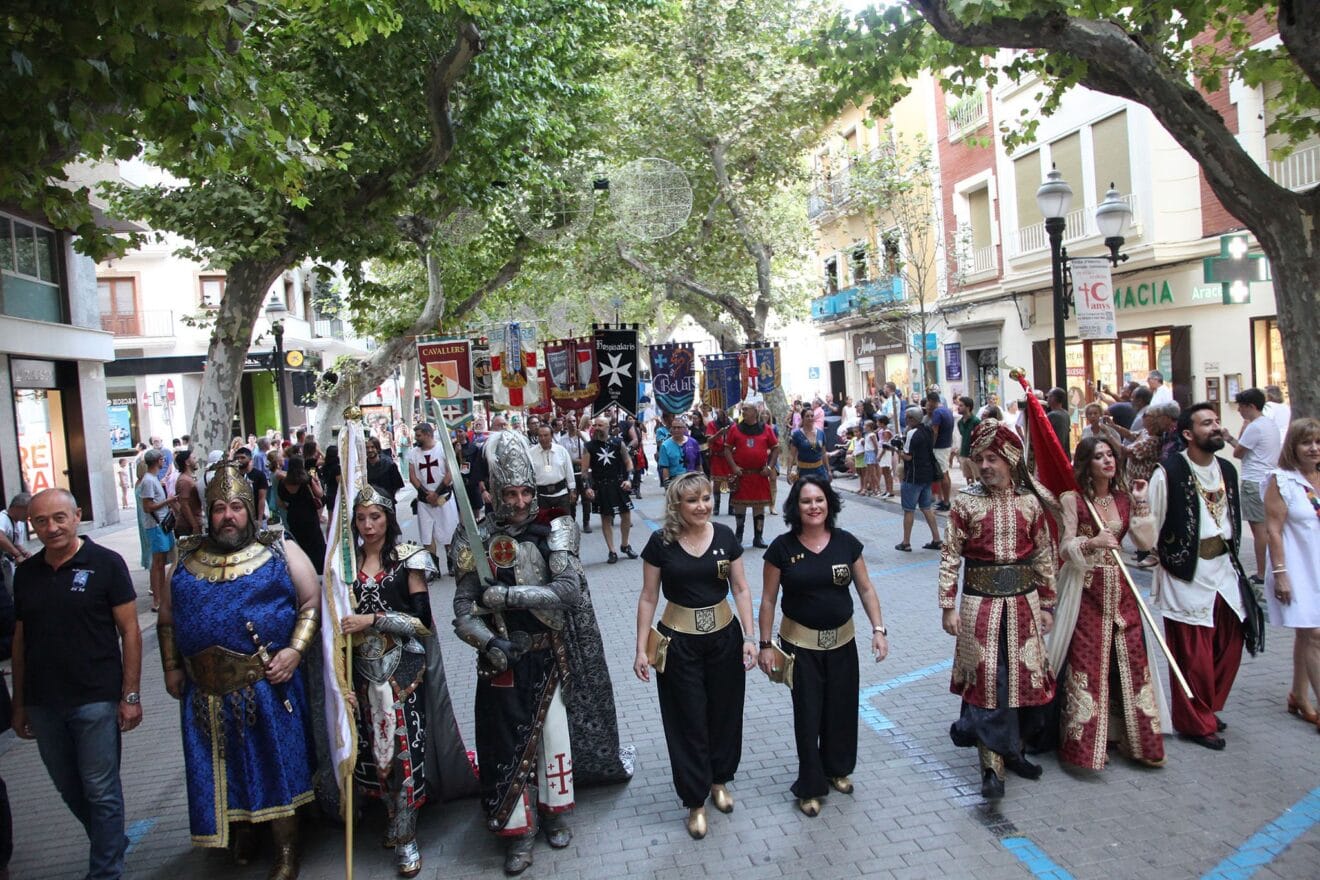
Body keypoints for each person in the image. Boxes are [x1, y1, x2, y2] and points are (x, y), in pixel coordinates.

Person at [451, 433, 626, 874]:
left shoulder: (555, 528)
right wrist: (489, 642)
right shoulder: (475, 536)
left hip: (548, 655)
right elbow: (462, 606)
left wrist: (507, 598)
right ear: (493, 491)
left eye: (526, 491)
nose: (518, 500)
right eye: (509, 492)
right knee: (506, 744)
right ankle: (518, 832)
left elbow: (566, 592)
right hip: (501, 659)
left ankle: (553, 815)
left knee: (552, 742)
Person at [157, 458, 321, 877]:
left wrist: (294, 652)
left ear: (249, 509)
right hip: (204, 691)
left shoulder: (278, 547)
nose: (227, 516)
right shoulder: (187, 557)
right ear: (208, 514)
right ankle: (240, 831)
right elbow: (167, 621)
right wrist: (171, 667)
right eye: (218, 508)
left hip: (264, 683)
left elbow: (310, 602)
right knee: (220, 767)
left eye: (235, 506)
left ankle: (287, 850)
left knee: (275, 766)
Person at [339, 485, 477, 876]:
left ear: (389, 519)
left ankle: (406, 834)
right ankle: (390, 818)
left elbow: (422, 623)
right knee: (371, 756)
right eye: (362, 518)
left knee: (403, 754)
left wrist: (373, 619)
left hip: (403, 673)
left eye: (376, 517)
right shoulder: (345, 567)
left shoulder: (408, 559)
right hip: (361, 677)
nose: (368, 526)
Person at [11, 488, 142, 880]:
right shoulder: (26, 574)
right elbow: (21, 642)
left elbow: (131, 631)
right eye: (40, 521)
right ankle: (111, 840)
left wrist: (130, 695)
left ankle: (105, 871)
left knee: (100, 789)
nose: (51, 528)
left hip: (96, 697)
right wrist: (19, 704)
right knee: (70, 788)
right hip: (44, 701)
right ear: (30, 525)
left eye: (59, 518)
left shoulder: (106, 564)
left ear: (77, 516)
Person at [938, 420, 1057, 798]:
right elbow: (950, 556)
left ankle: (1015, 750)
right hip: (979, 606)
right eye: (980, 459)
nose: (986, 466)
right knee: (988, 683)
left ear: (1010, 460)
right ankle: (991, 766)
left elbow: (1043, 555)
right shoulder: (965, 502)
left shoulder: (1028, 502)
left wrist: (1048, 603)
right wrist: (947, 605)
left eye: (994, 458)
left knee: (1023, 680)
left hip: (1024, 604)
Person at [635, 473, 756, 839]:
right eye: (692, 500)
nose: (702, 505)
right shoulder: (661, 542)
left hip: (724, 639)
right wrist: (641, 648)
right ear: (677, 505)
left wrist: (750, 637)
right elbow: (648, 597)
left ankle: (720, 780)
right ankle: (695, 801)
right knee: (686, 720)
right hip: (678, 644)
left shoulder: (725, 536)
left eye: (705, 498)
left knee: (724, 712)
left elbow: (741, 587)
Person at [758, 476, 888, 816]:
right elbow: (769, 600)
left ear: (829, 503)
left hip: (843, 644)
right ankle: (810, 786)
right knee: (809, 715)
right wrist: (765, 644)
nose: (814, 506)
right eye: (806, 501)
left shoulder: (847, 543)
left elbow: (866, 589)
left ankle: (837, 769)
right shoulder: (782, 549)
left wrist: (878, 629)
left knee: (841, 709)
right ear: (795, 508)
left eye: (819, 500)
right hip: (800, 648)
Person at [1047, 436, 1167, 769]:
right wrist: (1092, 541)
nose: (1107, 461)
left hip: (1122, 589)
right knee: (1088, 663)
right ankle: (1084, 748)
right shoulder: (1073, 500)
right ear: (1087, 464)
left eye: (1110, 455)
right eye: (1099, 457)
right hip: (1086, 588)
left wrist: (1142, 502)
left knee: (1131, 663)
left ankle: (1135, 741)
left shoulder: (1125, 499)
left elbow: (1146, 542)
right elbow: (1065, 547)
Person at [1148, 404, 1262, 750]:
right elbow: (1149, 525)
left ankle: (1207, 707)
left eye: (1216, 422)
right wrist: (1160, 556)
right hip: (1186, 573)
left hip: (1224, 569)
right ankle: (1195, 722)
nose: (1216, 428)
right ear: (1188, 434)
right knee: (1192, 656)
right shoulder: (1167, 472)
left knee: (1230, 643)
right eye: (1207, 423)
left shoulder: (1227, 469)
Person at [1263, 417, 1320, 730]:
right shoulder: (1281, 479)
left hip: (1318, 565)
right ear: (1293, 446)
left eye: (1318, 442)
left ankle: (1299, 695)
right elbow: (1273, 529)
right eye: (1306, 442)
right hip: (1296, 567)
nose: (1313, 449)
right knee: (1315, 634)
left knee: (1305, 634)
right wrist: (1281, 573)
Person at [1224, 388, 1281, 584]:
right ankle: (1273, 567)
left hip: (1253, 481)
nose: (1239, 410)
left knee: (1259, 531)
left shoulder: (1254, 427)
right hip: (1268, 480)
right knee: (1270, 528)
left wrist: (1230, 437)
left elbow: (1238, 452)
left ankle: (1261, 572)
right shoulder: (1269, 424)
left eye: (1241, 406)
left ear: (1251, 406)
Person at [585, 415, 638, 564]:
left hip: (618, 483)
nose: (597, 428)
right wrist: (588, 487)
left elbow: (629, 463)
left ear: (608, 427)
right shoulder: (589, 446)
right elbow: (585, 471)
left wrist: (629, 479)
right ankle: (612, 550)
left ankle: (625, 545)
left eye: (600, 425)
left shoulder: (618, 443)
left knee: (626, 515)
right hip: (601, 485)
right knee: (606, 518)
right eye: (595, 425)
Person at [724, 405, 779, 549]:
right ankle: (739, 536)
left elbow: (775, 448)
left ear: (755, 412)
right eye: (743, 410)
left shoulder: (766, 429)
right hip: (742, 475)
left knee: (759, 507)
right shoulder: (735, 429)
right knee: (739, 507)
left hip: (759, 475)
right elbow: (727, 449)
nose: (743, 412)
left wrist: (769, 467)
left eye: (746, 410)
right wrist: (734, 467)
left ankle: (758, 537)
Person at [408, 422, 460, 568]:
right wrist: (427, 494)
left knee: (449, 533)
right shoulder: (413, 453)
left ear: (428, 434)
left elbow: (450, 473)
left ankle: (451, 564)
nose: (416, 438)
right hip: (425, 500)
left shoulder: (443, 449)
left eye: (419, 435)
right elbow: (412, 477)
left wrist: (436, 493)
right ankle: (433, 568)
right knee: (426, 536)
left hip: (443, 497)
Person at [895, 409, 941, 552]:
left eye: (907, 418)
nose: (906, 420)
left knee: (909, 510)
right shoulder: (927, 430)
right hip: (927, 474)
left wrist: (898, 450)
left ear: (911, 419)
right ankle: (937, 538)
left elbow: (908, 456)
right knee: (926, 508)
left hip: (913, 475)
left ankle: (906, 542)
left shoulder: (911, 433)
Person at [138, 448, 177, 613]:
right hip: (155, 525)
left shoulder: (153, 479)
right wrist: (168, 501)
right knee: (158, 563)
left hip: (160, 524)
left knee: (161, 562)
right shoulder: (148, 481)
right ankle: (157, 598)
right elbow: (147, 507)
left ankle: (161, 596)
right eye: (162, 459)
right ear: (158, 461)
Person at [279, 456, 327, 574]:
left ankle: (301, 568)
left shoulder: (283, 483)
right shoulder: (307, 480)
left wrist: (291, 507)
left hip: (293, 516)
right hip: (309, 515)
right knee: (315, 542)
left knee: (298, 542)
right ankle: (318, 568)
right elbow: (320, 494)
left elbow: (281, 502)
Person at [531, 424, 576, 519]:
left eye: (546, 435)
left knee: (564, 523)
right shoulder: (531, 453)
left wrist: (572, 489)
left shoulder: (561, 451)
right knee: (544, 525)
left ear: (551, 436)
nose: (543, 438)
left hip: (561, 494)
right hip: (541, 496)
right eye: (540, 436)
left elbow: (569, 470)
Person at [556, 415, 592, 533]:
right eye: (569, 421)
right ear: (566, 424)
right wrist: (576, 461)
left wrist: (582, 437)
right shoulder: (562, 439)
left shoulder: (584, 435)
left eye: (574, 421)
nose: (572, 423)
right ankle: (572, 523)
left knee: (586, 498)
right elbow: (562, 457)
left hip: (584, 471)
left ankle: (586, 523)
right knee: (572, 499)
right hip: (571, 472)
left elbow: (592, 449)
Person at [927, 392, 956, 510]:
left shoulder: (937, 413)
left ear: (931, 401)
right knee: (945, 473)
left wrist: (930, 445)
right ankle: (944, 499)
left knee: (942, 473)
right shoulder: (947, 411)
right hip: (946, 445)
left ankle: (946, 502)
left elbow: (935, 431)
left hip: (939, 447)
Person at [0, 494, 30, 597]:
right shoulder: (2, 518)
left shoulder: (19, 523)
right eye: (27, 511)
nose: (29, 515)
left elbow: (17, 544)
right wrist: (17, 555)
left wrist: (25, 553)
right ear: (18, 508)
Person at [706, 409, 735, 517]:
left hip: (730, 457)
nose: (723, 413)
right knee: (717, 483)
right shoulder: (712, 424)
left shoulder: (733, 425)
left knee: (732, 481)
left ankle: (731, 507)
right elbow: (709, 440)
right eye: (721, 411)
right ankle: (717, 507)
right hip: (717, 456)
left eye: (725, 411)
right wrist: (719, 433)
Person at [787, 413, 829, 484]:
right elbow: (792, 455)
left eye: (812, 416)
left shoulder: (820, 433)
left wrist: (828, 471)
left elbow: (824, 454)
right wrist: (789, 471)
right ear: (802, 419)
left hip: (819, 471)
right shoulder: (797, 434)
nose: (810, 418)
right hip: (803, 472)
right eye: (807, 416)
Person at [233, 446, 270, 527]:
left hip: (257, 517)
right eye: (237, 458)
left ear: (250, 459)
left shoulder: (259, 475)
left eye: (242, 457)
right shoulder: (233, 476)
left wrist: (259, 520)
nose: (239, 460)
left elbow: (262, 498)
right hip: (240, 518)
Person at [657, 418, 700, 487]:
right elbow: (665, 467)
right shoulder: (665, 445)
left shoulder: (693, 443)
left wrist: (701, 478)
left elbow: (698, 464)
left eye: (679, 427)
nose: (676, 430)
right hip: (675, 481)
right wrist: (667, 483)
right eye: (674, 428)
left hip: (692, 480)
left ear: (685, 429)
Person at [173, 450, 203, 538]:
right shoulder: (184, 481)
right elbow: (184, 505)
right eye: (193, 458)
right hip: (187, 527)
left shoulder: (188, 478)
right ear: (187, 462)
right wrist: (194, 525)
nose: (196, 460)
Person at [367, 436, 406, 502]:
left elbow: (397, 485)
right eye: (367, 448)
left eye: (372, 447)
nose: (370, 450)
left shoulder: (389, 464)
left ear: (377, 448)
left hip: (387, 502)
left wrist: (388, 496)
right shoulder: (363, 467)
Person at [955, 396, 981, 487]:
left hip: (974, 454)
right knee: (968, 477)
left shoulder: (976, 421)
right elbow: (963, 436)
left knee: (978, 477)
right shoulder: (960, 422)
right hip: (964, 453)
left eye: (961, 405)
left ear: (968, 407)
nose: (958, 407)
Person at [1046, 387, 1072, 459]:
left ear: (1053, 398)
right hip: (1065, 454)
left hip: (1056, 456)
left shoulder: (1052, 415)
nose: (1047, 398)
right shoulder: (1066, 413)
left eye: (1049, 396)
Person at [321, 444, 342, 514]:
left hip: (329, 493)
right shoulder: (337, 468)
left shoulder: (325, 466)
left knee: (330, 519)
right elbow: (339, 483)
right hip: (336, 495)